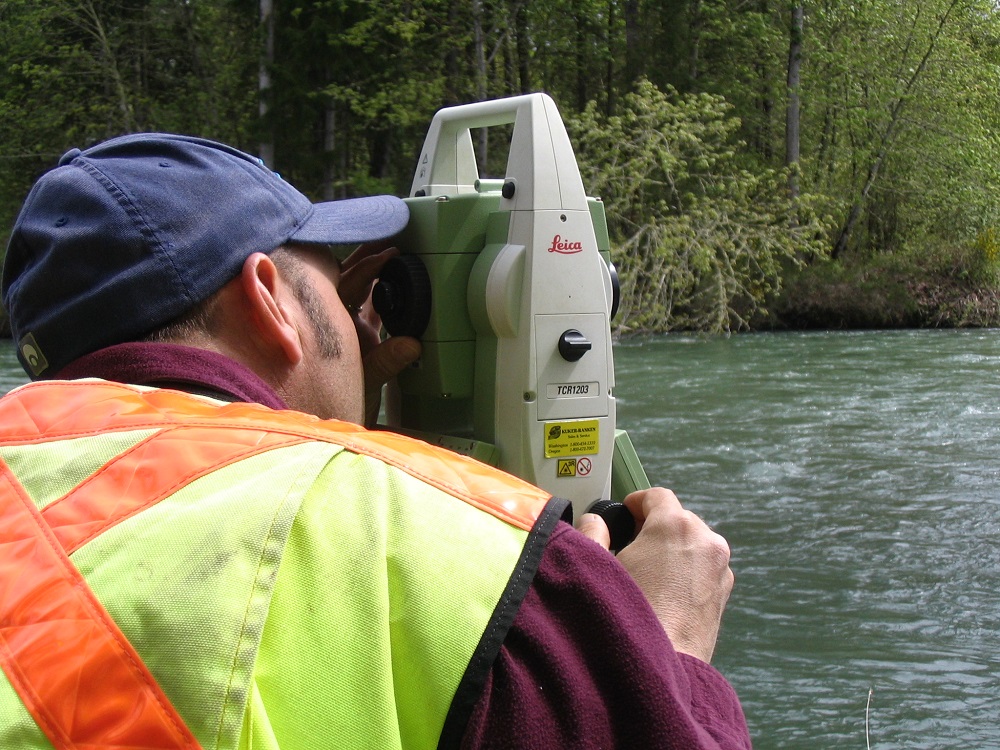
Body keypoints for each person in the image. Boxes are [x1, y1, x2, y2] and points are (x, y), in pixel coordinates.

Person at [0, 133, 751, 749]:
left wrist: (339, 431)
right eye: (340, 287)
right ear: (268, 297)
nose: (369, 324)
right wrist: (663, 655)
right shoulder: (436, 546)